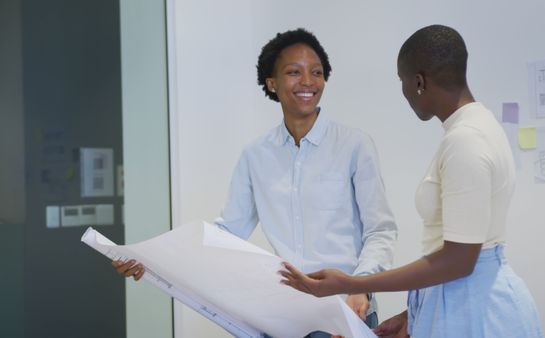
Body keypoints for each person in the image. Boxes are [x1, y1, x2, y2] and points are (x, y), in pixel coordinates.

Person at [112, 28, 398, 337]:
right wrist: (152, 262)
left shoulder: (355, 145)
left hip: (346, 308)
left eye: (316, 72)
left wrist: (361, 287)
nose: (307, 82)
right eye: (293, 72)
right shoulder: (256, 155)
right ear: (271, 83)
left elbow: (380, 231)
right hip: (284, 315)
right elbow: (225, 235)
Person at [280, 25, 544, 338]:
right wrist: (413, 315)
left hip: (478, 312)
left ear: (419, 82)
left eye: (402, 82)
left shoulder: (466, 141)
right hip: (461, 299)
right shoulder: (475, 127)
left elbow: (459, 260)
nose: (404, 92)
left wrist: (352, 283)